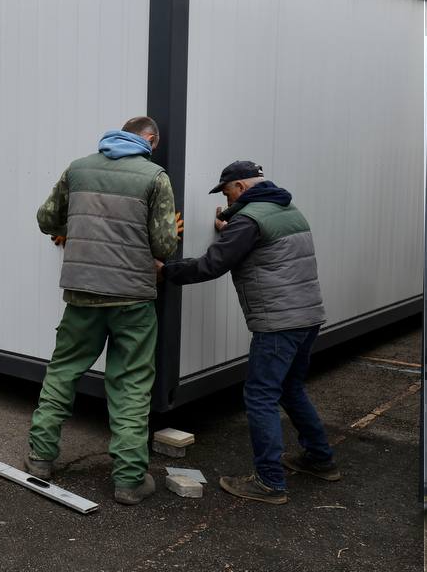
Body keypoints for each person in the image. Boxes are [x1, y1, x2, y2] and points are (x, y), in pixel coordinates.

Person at [161, 161, 337, 504]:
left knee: (260, 396)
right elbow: (262, 244)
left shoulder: (247, 220)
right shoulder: (287, 209)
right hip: (308, 316)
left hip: (279, 323)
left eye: (227, 193)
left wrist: (166, 271)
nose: (226, 201)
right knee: (291, 388)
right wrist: (230, 228)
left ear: (240, 187)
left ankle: (270, 481)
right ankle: (320, 459)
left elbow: (212, 264)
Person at [26, 116, 180, 506]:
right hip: (132, 299)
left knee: (63, 371)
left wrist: (77, 225)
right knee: (130, 385)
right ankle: (129, 481)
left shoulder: (78, 168)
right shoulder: (154, 177)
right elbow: (164, 245)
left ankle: (41, 457)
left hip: (82, 295)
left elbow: (46, 219)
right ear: (150, 140)